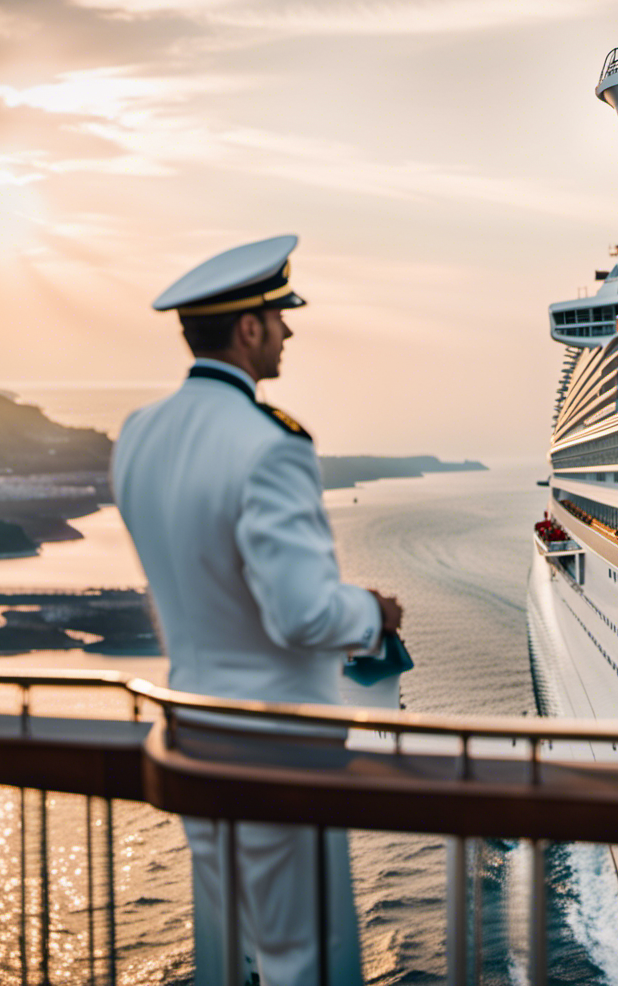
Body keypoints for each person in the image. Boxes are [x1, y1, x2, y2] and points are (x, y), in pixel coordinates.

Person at [112, 234, 402, 985]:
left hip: (191, 734)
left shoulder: (138, 436)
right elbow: (302, 616)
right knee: (306, 958)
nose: (288, 331)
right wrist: (372, 614)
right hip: (278, 750)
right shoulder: (273, 444)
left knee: (223, 949)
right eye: (279, 317)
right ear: (249, 329)